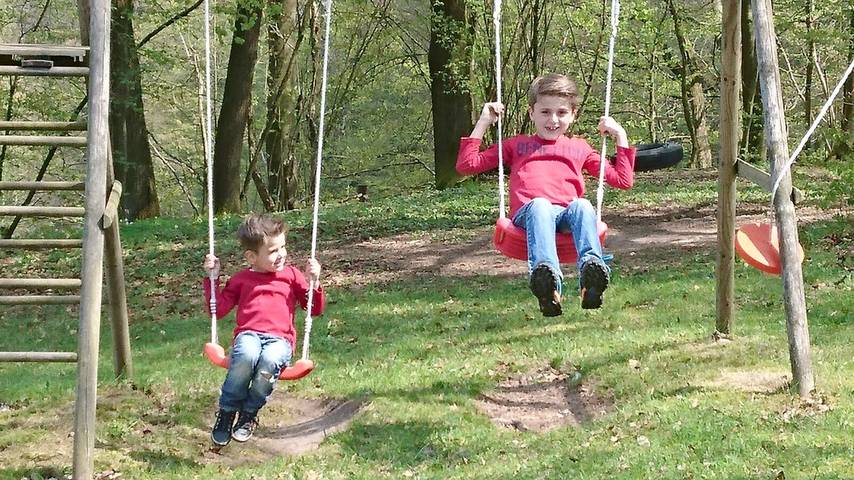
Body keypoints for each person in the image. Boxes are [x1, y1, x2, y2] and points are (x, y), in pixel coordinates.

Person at [456, 73, 635, 316]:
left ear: (573, 115)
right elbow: (467, 165)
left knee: (583, 205)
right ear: (531, 113)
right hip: (530, 216)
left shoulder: (579, 147)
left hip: (566, 217)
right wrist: (484, 122)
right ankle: (547, 283)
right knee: (540, 205)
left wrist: (620, 135)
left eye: (561, 112)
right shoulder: (516, 145)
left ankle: (591, 276)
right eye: (545, 112)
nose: (553, 120)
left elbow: (622, 180)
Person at [202, 213, 325, 446]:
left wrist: (315, 282)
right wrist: (212, 278)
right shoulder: (241, 280)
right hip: (248, 335)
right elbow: (218, 309)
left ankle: (249, 413)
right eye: (273, 251)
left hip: (279, 341)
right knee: (246, 356)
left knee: (269, 363)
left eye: (283, 247)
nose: (281, 255)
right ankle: (227, 412)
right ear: (251, 257)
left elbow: (314, 308)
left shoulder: (292, 276)